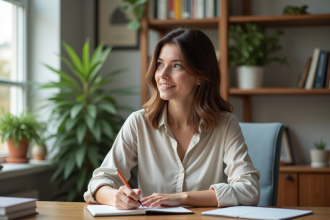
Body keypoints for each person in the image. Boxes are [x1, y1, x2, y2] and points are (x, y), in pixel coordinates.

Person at [84, 27, 260, 209]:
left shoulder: (225, 125)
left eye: (177, 65)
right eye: (160, 64)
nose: (163, 74)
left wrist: (182, 198)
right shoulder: (138, 123)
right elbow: (99, 182)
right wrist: (116, 197)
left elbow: (249, 190)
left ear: (200, 76)